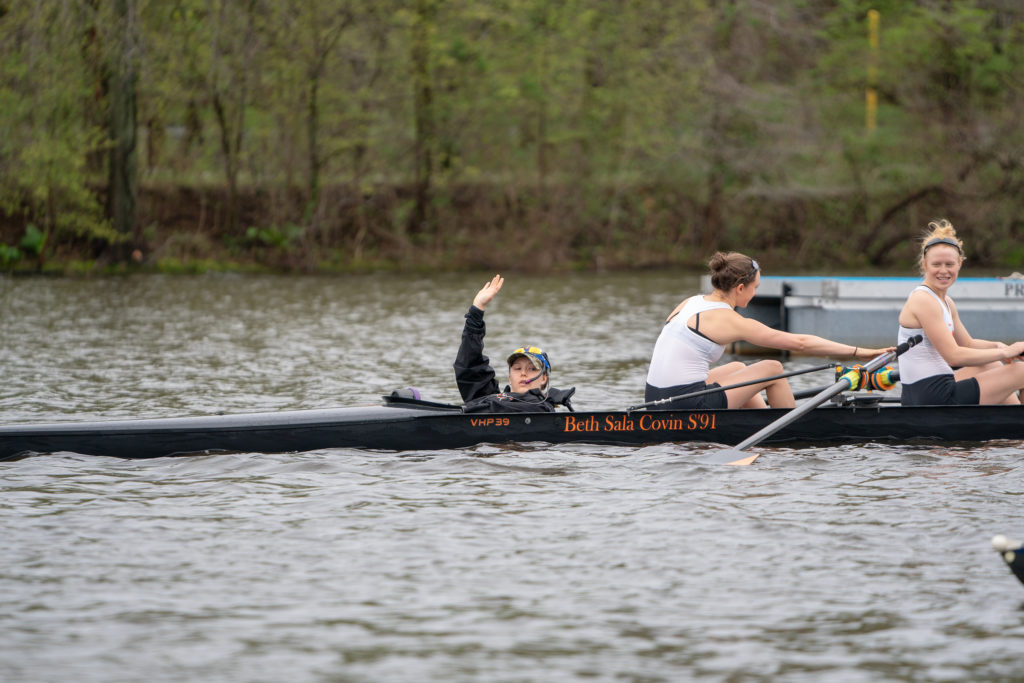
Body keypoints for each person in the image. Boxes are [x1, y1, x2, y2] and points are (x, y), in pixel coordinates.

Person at [645, 252, 892, 409]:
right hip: (684, 406)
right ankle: (787, 432)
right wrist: (859, 352)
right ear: (740, 288)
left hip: (655, 399)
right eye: (756, 287)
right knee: (772, 369)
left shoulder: (690, 302)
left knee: (740, 368)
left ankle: (757, 422)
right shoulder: (729, 319)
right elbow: (801, 343)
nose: (756, 293)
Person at [897, 220, 1024, 406]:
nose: (943, 271)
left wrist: (1000, 347)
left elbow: (968, 343)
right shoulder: (923, 300)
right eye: (936, 264)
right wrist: (1005, 352)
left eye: (949, 264)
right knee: (1021, 371)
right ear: (924, 265)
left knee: (992, 364)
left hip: (936, 388)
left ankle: (1011, 424)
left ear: (959, 264)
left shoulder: (946, 302)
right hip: (930, 397)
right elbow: (953, 356)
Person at [454, 274, 576, 413]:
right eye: (517, 369)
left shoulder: (542, 409)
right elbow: (469, 366)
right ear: (509, 377)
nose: (523, 373)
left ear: (543, 378)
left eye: (532, 369)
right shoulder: (490, 398)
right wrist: (477, 309)